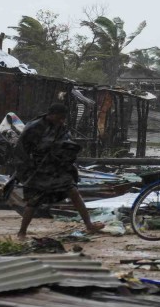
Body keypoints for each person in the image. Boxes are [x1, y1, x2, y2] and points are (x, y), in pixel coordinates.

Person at [13, 103, 104, 240]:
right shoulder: (35, 127)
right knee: (33, 200)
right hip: (39, 169)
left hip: (58, 167)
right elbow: (21, 148)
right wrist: (28, 166)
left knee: (73, 192)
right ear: (51, 114)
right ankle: (22, 232)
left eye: (63, 118)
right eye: (59, 117)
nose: (62, 121)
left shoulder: (60, 127)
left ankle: (89, 225)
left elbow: (66, 143)